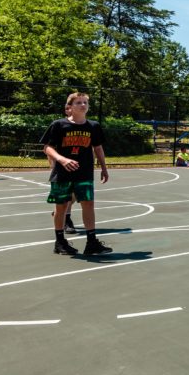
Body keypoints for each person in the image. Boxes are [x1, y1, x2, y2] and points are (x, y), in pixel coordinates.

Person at [40, 92, 112, 256]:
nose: (83, 105)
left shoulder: (93, 126)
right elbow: (47, 148)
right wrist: (62, 159)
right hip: (62, 173)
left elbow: (98, 148)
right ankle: (59, 242)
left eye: (85, 102)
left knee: (88, 204)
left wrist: (104, 168)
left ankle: (91, 242)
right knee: (61, 207)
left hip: (84, 173)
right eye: (78, 102)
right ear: (70, 108)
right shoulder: (59, 125)